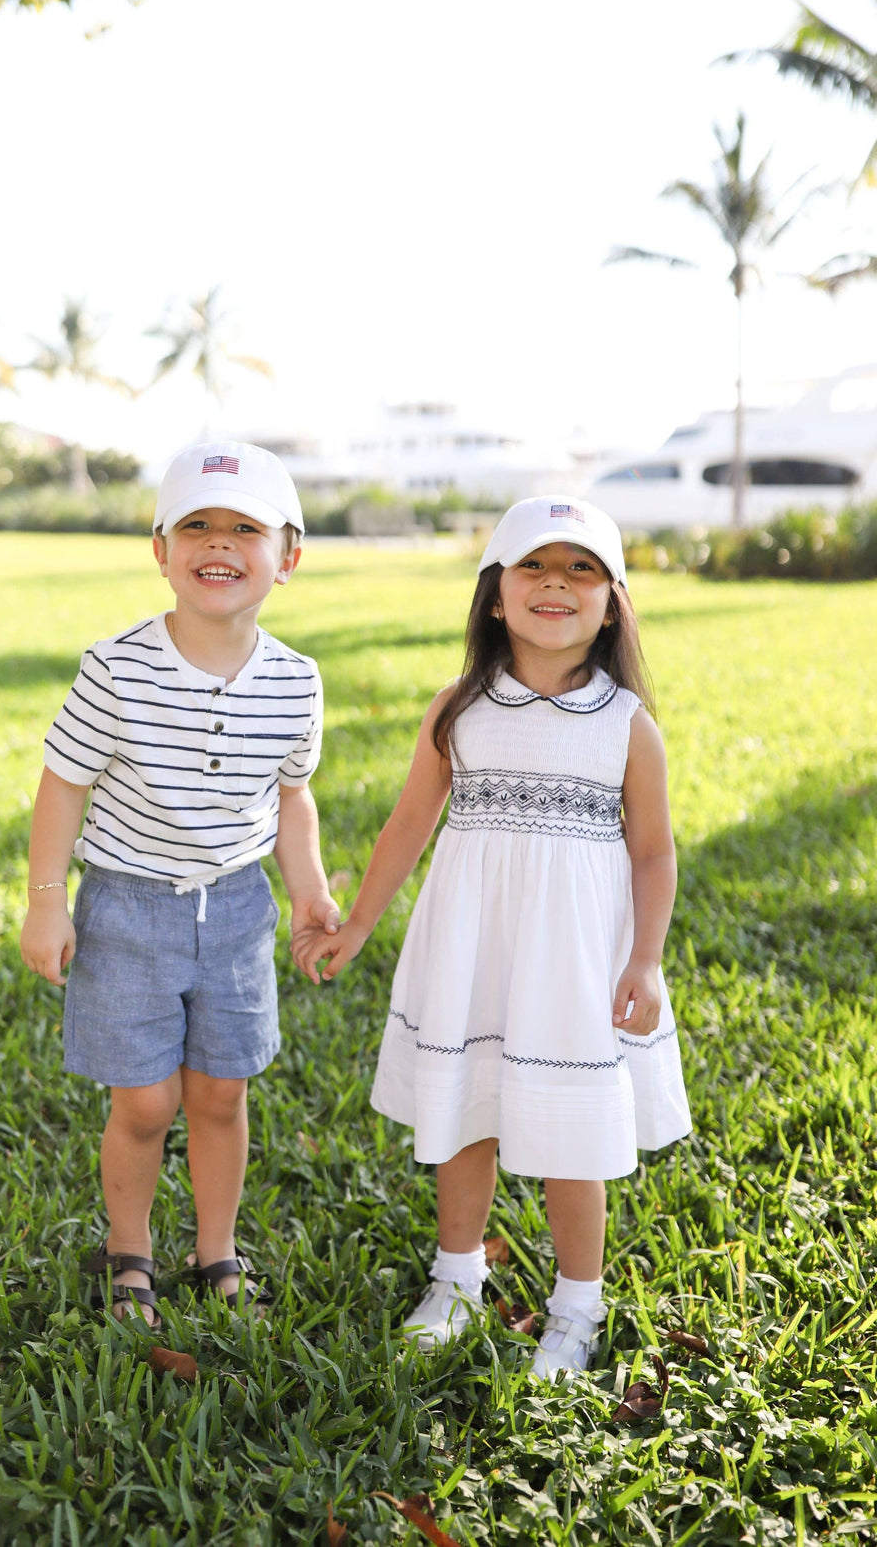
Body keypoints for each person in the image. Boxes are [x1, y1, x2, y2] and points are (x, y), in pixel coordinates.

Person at [298, 497, 691, 1378]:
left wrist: (647, 960)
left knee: (572, 1131)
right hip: (471, 944)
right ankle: (458, 1277)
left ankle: (577, 1304)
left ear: (613, 603)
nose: (557, 583)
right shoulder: (459, 708)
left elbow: (656, 852)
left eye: (581, 569)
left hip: (574, 960)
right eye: (534, 567)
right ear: (494, 597)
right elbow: (407, 825)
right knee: (466, 1110)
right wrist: (359, 922)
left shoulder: (628, 725)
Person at [21, 440, 339, 1326]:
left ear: (289, 556)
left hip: (236, 909)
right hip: (128, 905)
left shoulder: (296, 681)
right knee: (147, 1099)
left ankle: (215, 1251)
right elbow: (63, 785)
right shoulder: (115, 667)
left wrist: (308, 887)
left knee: (220, 1092)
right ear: (160, 550)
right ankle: (131, 1253)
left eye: (246, 528)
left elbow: (291, 795)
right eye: (196, 524)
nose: (220, 544)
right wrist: (47, 902)